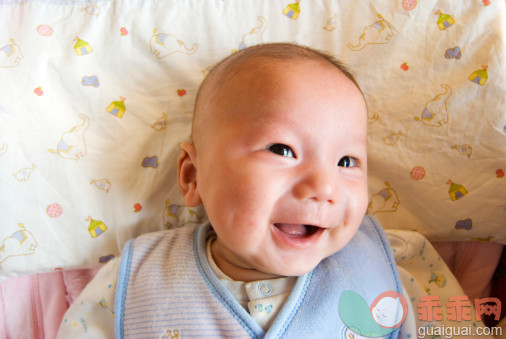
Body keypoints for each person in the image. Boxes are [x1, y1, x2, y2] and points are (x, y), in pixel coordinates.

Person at [58, 43, 415, 338]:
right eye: (282, 150)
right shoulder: (134, 281)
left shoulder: (386, 266)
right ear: (192, 175)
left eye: (347, 161)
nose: (324, 187)